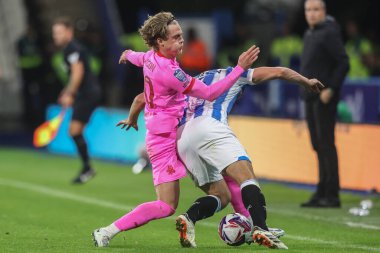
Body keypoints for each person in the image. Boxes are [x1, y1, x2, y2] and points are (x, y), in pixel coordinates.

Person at [91, 11, 260, 248]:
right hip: (164, 142)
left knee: (225, 182)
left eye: (181, 35)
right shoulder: (170, 72)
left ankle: (251, 226)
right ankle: (107, 231)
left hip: (180, 132)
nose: (182, 40)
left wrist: (127, 54)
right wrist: (238, 69)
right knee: (166, 205)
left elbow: (139, 58)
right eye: (176, 37)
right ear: (161, 42)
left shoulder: (151, 57)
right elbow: (210, 93)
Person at [120, 66, 323, 249]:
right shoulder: (236, 75)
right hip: (209, 127)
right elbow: (279, 72)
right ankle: (261, 228)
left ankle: (189, 217)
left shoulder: (189, 80)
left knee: (220, 194)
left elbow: (142, 97)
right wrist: (306, 81)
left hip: (182, 139)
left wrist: (133, 118)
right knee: (246, 175)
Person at [300, 0, 349, 208]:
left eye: (316, 10)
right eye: (308, 10)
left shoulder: (329, 32)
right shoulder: (310, 33)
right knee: (318, 145)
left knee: (326, 144)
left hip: (323, 96)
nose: (312, 14)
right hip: (310, 97)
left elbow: (343, 62)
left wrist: (331, 88)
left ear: (324, 11)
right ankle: (321, 190)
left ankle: (332, 194)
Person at [52, 17, 101, 184]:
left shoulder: (73, 48)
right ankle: (87, 167)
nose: (56, 36)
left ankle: (88, 168)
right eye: (54, 33)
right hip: (85, 93)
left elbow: (77, 72)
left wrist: (70, 94)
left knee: (74, 131)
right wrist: (66, 91)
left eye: (59, 32)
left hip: (87, 94)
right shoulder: (68, 49)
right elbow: (74, 75)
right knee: (74, 131)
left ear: (69, 31)